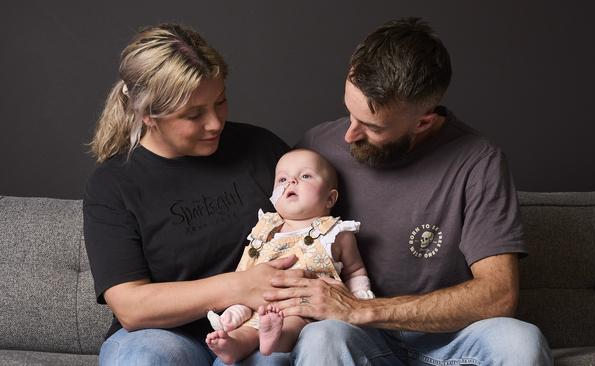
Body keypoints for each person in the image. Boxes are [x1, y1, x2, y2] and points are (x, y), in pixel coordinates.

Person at [263, 17, 554, 365]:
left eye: (371, 126)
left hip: (449, 339)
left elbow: (499, 294)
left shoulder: (479, 161)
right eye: (348, 113)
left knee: (521, 341)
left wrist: (362, 309)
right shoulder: (315, 148)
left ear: (423, 122)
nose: (349, 135)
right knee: (322, 337)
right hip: (355, 338)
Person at [83, 23, 294, 365]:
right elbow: (132, 307)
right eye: (193, 114)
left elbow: (317, 222)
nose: (215, 123)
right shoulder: (113, 184)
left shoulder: (260, 149)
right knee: (141, 357)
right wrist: (240, 285)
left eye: (220, 102)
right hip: (166, 335)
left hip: (259, 325)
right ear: (147, 115)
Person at [205, 148, 374, 364]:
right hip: (257, 302)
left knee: (294, 322)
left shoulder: (336, 233)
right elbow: (247, 268)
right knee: (245, 329)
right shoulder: (265, 228)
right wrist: (239, 306)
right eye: (282, 179)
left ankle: (275, 339)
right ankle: (233, 346)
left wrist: (360, 296)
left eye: (305, 176)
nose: (291, 182)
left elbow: (355, 270)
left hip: (304, 306)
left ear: (330, 198)